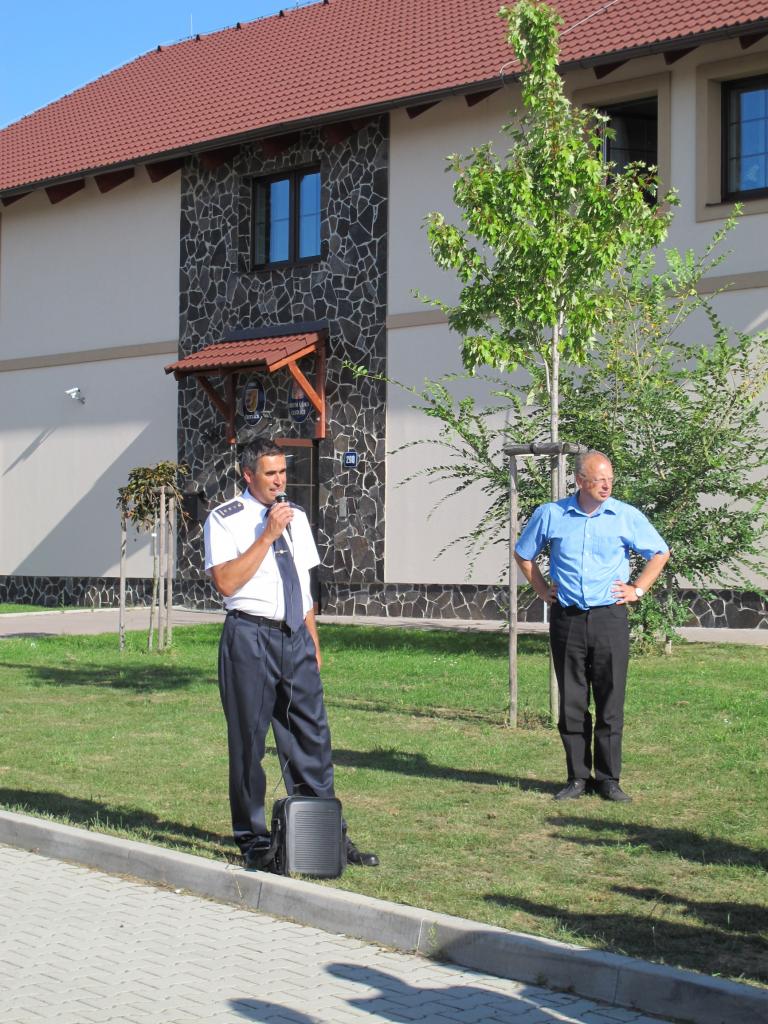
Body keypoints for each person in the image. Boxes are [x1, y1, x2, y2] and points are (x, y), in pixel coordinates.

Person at [204, 437, 378, 869]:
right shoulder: (225, 519)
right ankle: (253, 839)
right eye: (271, 473)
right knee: (249, 742)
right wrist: (267, 535)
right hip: (250, 637)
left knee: (312, 736)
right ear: (248, 475)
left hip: (295, 637)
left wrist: (312, 638)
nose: (280, 481)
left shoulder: (296, 516)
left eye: (283, 472)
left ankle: (325, 834)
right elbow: (226, 582)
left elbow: (302, 582)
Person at [514, 450, 670, 802]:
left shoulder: (625, 515)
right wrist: (542, 590)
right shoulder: (551, 514)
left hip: (609, 618)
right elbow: (523, 554)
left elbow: (659, 552)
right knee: (572, 700)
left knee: (610, 698)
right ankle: (577, 778)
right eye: (599, 480)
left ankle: (609, 779)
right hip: (567, 618)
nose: (606, 485)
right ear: (580, 481)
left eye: (610, 479)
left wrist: (638, 589)